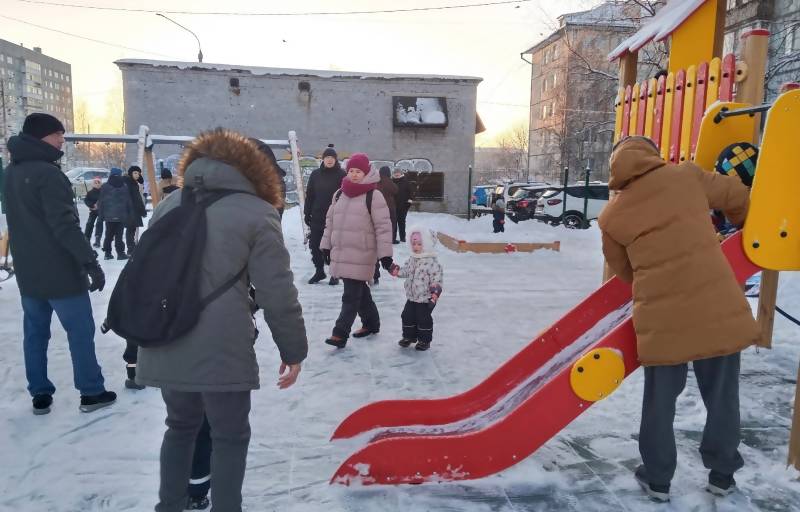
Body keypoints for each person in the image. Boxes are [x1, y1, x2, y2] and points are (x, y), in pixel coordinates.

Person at [135, 128, 308, 512]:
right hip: (222, 344)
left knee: (179, 428)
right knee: (229, 436)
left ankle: (169, 506)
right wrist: (293, 350)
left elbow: (146, 269)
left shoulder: (170, 203)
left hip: (166, 333)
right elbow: (276, 291)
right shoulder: (257, 213)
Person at [599, 136, 760, 502]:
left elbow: (625, 272)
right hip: (717, 308)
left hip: (662, 320)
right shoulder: (687, 176)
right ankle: (722, 475)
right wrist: (739, 231)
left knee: (659, 403)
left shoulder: (611, 216)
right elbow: (738, 196)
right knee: (722, 397)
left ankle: (657, 479)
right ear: (653, 156)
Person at [4, 112, 115, 415]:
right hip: (61, 272)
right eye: (57, 135)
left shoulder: (11, 173)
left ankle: (39, 392)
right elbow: (65, 225)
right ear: (41, 136)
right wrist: (90, 261)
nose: (61, 141)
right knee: (80, 331)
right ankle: (91, 391)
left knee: (35, 333)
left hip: (29, 272)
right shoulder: (48, 174)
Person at [320, 153, 394, 349]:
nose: (354, 174)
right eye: (351, 170)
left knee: (350, 295)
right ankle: (371, 323)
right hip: (342, 251)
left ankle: (339, 333)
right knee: (359, 291)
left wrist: (385, 256)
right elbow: (330, 223)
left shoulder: (373, 195)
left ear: (366, 173)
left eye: (358, 171)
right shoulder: (339, 194)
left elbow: (383, 227)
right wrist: (326, 246)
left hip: (362, 253)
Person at [390, 227, 443, 351]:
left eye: (419, 244)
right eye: (414, 244)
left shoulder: (432, 262)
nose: (416, 247)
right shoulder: (412, 259)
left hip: (425, 299)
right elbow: (406, 270)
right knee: (407, 316)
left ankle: (424, 340)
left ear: (427, 245)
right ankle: (409, 337)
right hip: (412, 297)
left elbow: (437, 279)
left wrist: (434, 294)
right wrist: (397, 272)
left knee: (423, 319)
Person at [304, 144, 345, 285]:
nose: (329, 160)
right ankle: (319, 271)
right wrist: (307, 213)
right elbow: (310, 195)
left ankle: (335, 274)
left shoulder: (342, 175)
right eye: (327, 157)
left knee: (334, 247)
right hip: (317, 216)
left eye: (332, 157)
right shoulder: (315, 175)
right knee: (315, 245)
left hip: (335, 218)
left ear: (335, 159)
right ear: (323, 159)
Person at [99, 167, 133, 261]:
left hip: (108, 215)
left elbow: (101, 202)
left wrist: (101, 216)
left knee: (108, 234)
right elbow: (128, 201)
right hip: (121, 215)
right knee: (119, 235)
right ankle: (120, 253)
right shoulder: (124, 186)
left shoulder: (105, 186)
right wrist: (130, 213)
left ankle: (107, 253)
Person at [124, 165, 147, 256]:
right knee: (130, 229)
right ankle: (130, 249)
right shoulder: (128, 183)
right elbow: (134, 198)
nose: (137, 175)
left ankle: (131, 248)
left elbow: (138, 198)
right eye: (135, 173)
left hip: (134, 210)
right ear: (131, 173)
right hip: (130, 210)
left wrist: (142, 210)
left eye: (138, 173)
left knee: (132, 229)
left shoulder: (133, 183)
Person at [377, 166, 398, 243]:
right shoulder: (389, 181)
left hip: (379, 206)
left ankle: (380, 238)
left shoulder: (377, 181)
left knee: (380, 224)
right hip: (390, 206)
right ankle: (391, 239)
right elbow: (395, 190)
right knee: (392, 223)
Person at [393, 168, 414, 242]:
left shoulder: (406, 182)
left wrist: (408, 204)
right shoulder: (392, 181)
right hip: (393, 207)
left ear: (401, 173)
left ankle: (402, 237)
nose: (396, 174)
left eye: (398, 172)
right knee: (394, 223)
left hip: (403, 206)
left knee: (401, 222)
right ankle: (393, 238)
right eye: (395, 173)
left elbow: (411, 193)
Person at [83, 176, 104, 247]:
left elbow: (106, 200)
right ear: (93, 183)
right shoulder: (90, 192)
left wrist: (99, 205)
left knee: (99, 224)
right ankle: (86, 239)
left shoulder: (103, 192)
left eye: (98, 182)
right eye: (95, 182)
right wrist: (92, 205)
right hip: (93, 211)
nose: (97, 184)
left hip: (101, 211)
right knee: (89, 223)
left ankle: (97, 240)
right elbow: (86, 200)